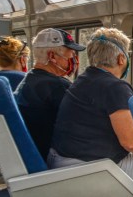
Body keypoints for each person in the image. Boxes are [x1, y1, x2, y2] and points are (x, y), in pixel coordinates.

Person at [48, 27, 133, 184]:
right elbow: (131, 143)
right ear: (121, 58)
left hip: (63, 162)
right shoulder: (115, 87)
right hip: (87, 168)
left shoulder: (82, 81)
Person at [14, 28, 85, 160]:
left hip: (33, 152)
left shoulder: (29, 79)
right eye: (71, 55)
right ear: (52, 56)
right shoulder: (57, 86)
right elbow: (80, 126)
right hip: (51, 157)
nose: (74, 60)